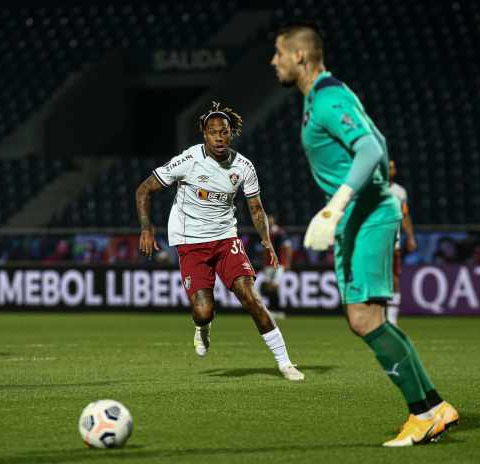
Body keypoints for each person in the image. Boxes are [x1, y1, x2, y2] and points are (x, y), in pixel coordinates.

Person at [271, 23, 457, 445]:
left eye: (278, 53)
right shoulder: (325, 95)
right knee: (369, 319)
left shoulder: (328, 97)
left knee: (364, 318)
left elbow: (371, 150)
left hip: (365, 213)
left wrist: (337, 206)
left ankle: (422, 413)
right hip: (361, 214)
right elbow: (380, 139)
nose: (273, 61)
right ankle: (432, 405)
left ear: (299, 56)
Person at [135, 101, 304, 381]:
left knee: (251, 298)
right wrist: (145, 228)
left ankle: (285, 363)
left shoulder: (244, 167)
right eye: (213, 132)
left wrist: (266, 242)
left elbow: (256, 209)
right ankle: (202, 327)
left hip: (226, 238)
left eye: (224, 131)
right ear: (204, 133)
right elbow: (144, 189)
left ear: (230, 133)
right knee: (203, 311)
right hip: (190, 242)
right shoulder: (188, 160)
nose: (219, 137)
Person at [387, 160, 417, 325]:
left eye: (393, 167)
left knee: (394, 279)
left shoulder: (399, 192)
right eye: (389, 167)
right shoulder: (371, 188)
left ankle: (392, 319)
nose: (392, 170)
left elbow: (405, 216)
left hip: (393, 242)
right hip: (374, 242)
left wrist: (411, 237)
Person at [261, 213, 293, 313]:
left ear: (273, 220)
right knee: (267, 286)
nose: (269, 221)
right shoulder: (264, 232)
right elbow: (264, 250)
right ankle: (272, 308)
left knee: (274, 285)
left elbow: (288, 247)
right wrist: (263, 263)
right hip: (268, 264)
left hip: (279, 264)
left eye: (270, 218)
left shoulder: (280, 232)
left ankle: (278, 308)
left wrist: (287, 263)